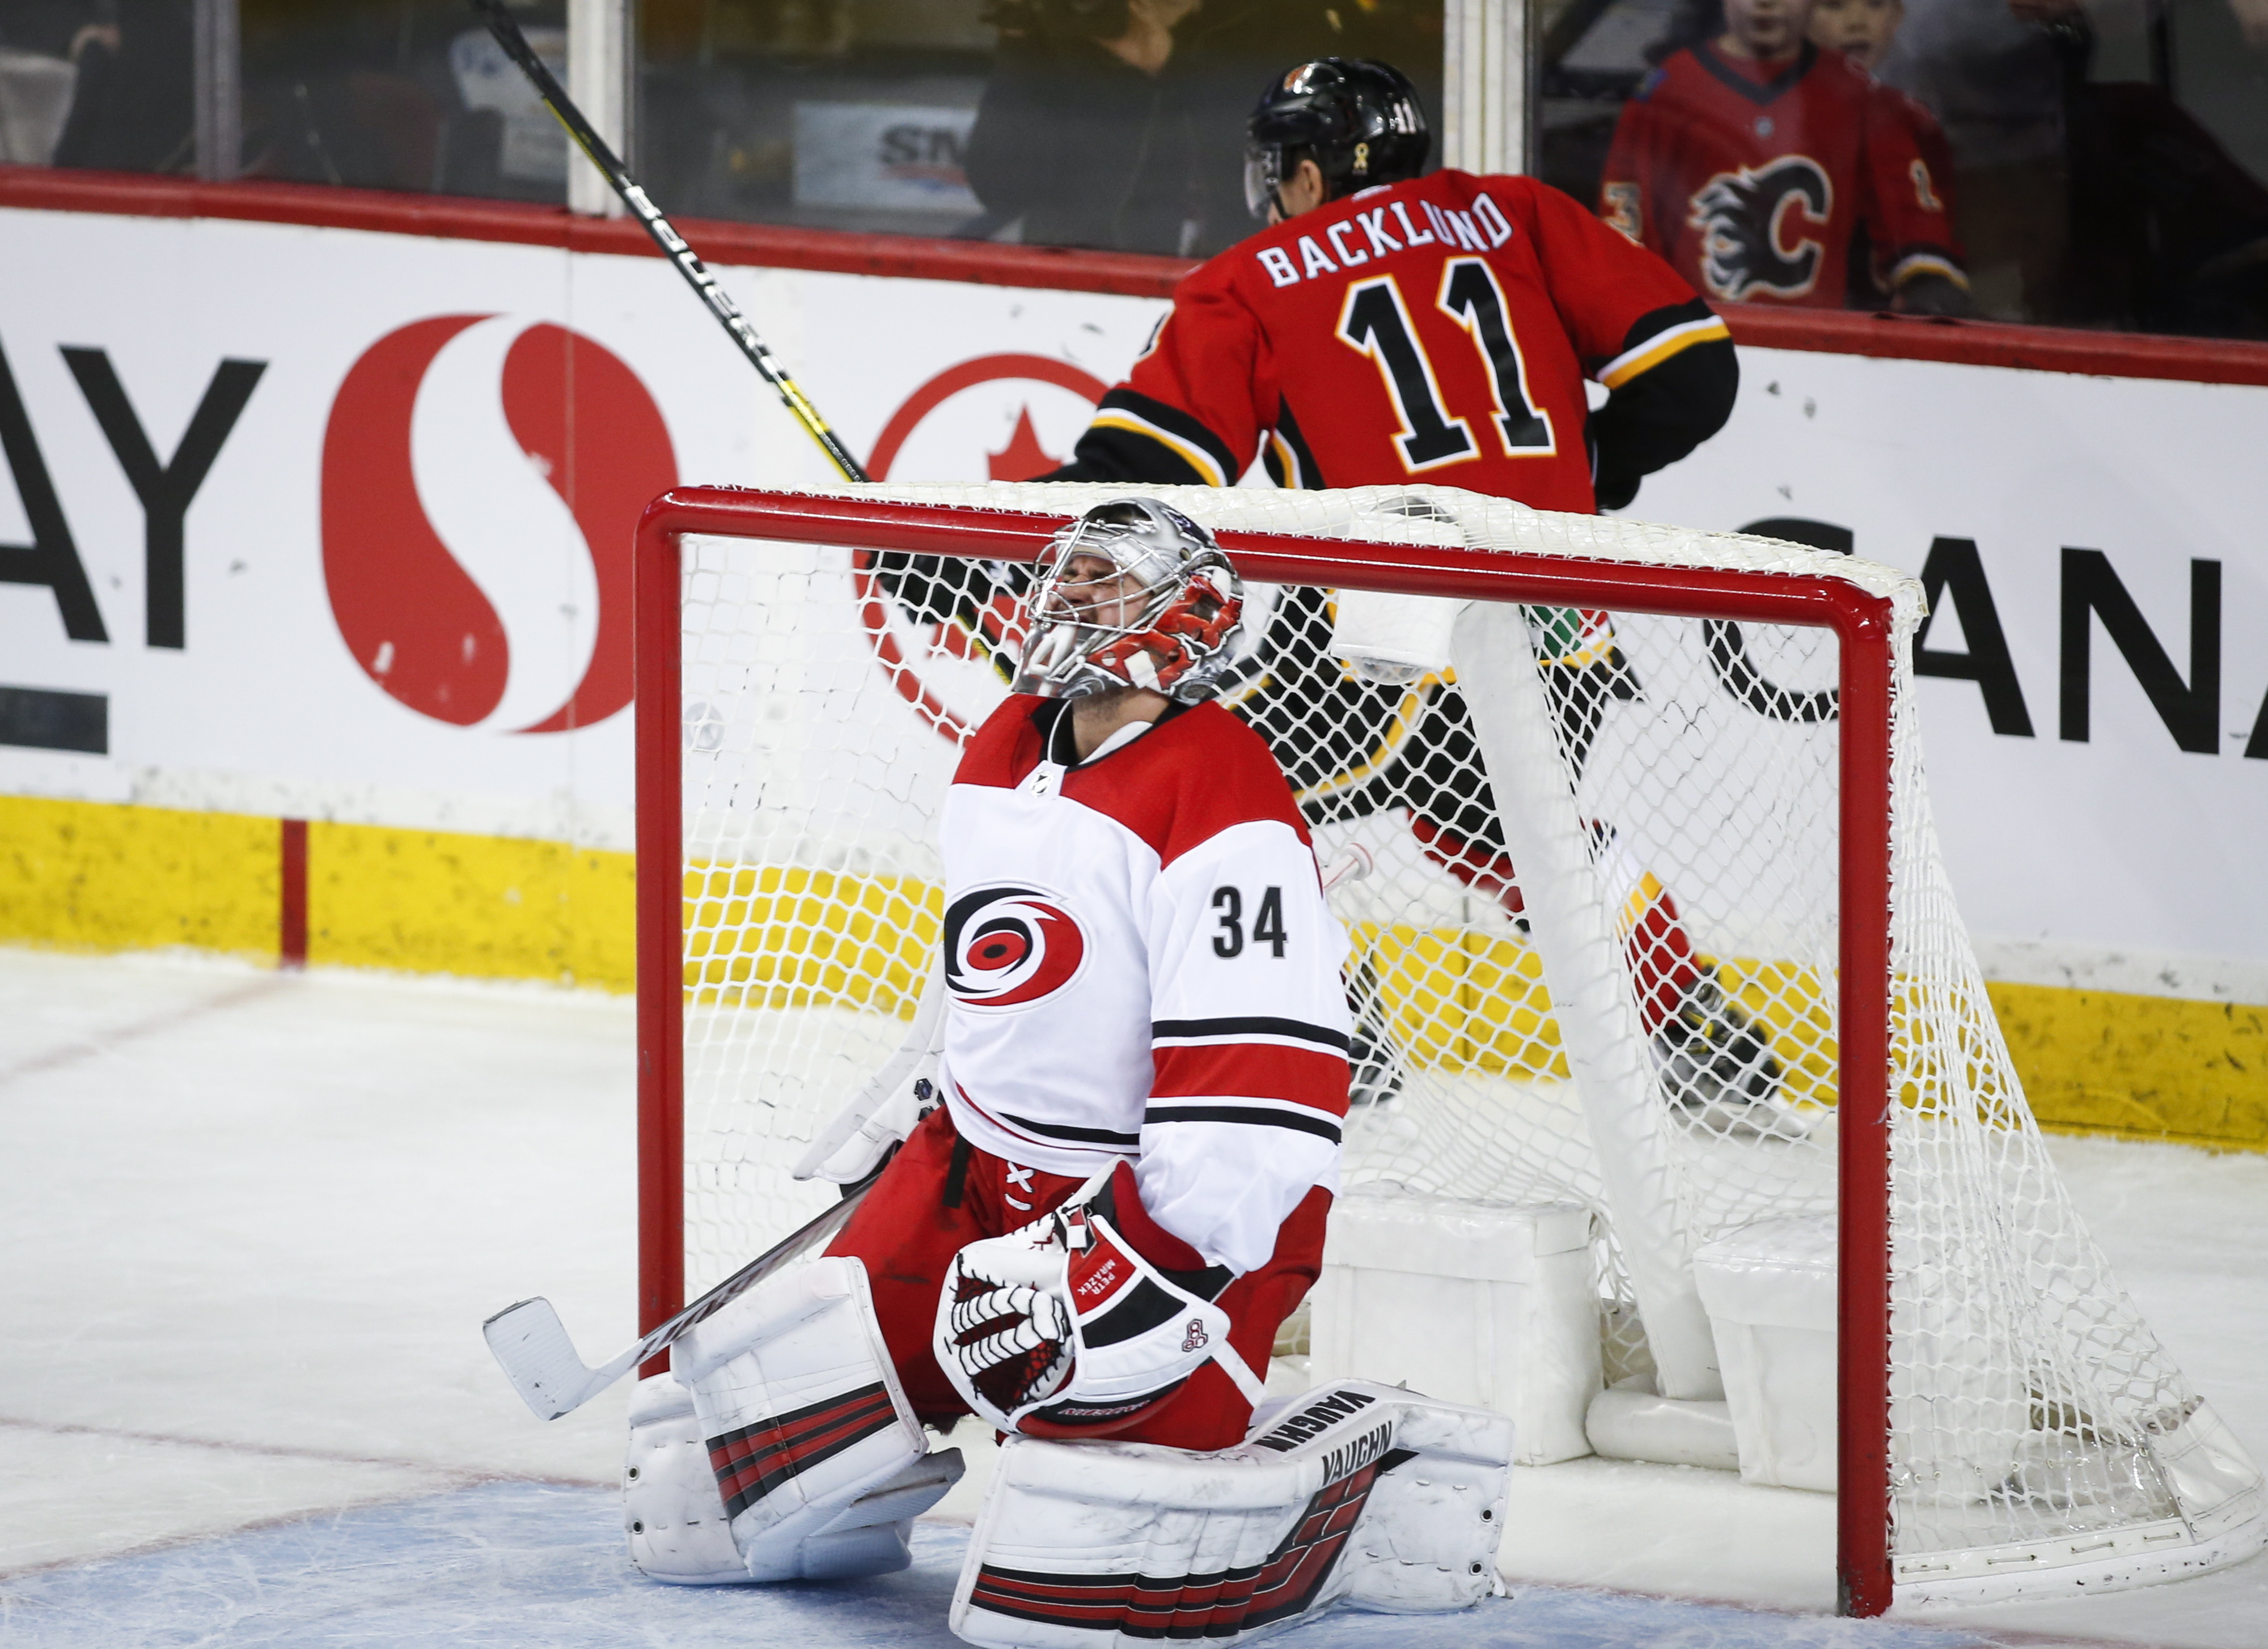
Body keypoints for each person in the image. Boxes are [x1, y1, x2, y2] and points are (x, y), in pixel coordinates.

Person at [624, 499, 1441, 1604]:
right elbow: (999, 959)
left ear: (1184, 617)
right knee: (715, 1473)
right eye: (1058, 575)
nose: (1058, 598)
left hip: (1155, 1216)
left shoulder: (1220, 786)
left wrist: (1156, 1247)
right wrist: (918, 1110)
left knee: (1069, 1540)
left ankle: (1341, 1471)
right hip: (972, 1177)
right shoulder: (1005, 739)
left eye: (1095, 580)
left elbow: (1260, 1085)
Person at [1599, 0, 1969, 312]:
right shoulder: (1670, 88)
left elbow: (1904, 202)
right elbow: (1628, 211)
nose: (1767, 3)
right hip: (1695, 337)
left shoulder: (1853, 91)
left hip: (1819, 341)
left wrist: (1927, 276)